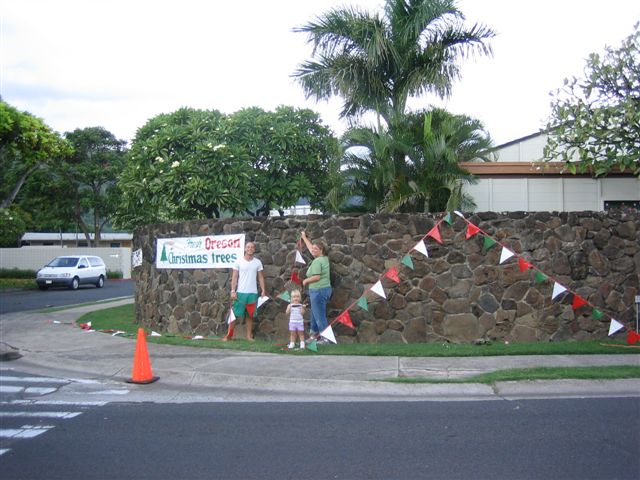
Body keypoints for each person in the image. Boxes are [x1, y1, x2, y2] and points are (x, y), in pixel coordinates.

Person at [223, 242, 267, 341]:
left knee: (250, 315)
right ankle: (229, 335)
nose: (250, 249)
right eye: (248, 247)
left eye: (252, 247)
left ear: (254, 249)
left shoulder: (258, 262)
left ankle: (249, 336)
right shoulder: (238, 261)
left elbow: (260, 277)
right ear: (245, 249)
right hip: (240, 292)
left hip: (253, 293)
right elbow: (234, 277)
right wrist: (233, 291)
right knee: (234, 314)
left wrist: (263, 290)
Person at [300, 231, 332, 342]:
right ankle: (314, 336)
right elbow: (311, 248)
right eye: (312, 248)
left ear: (321, 250)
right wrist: (304, 237)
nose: (312, 250)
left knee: (319, 316)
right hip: (322, 290)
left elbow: (317, 277)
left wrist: (305, 281)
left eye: (315, 249)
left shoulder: (317, 261)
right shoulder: (323, 258)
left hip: (318, 291)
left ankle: (326, 339)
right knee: (314, 315)